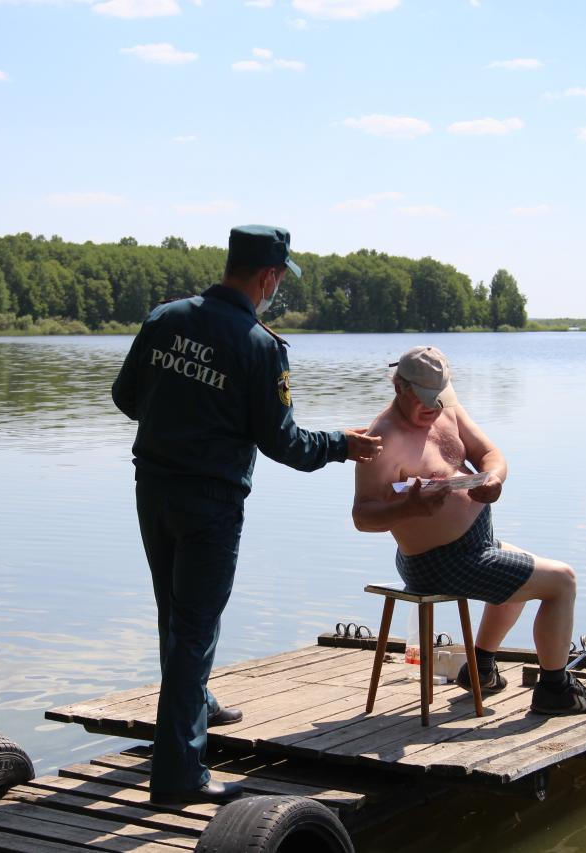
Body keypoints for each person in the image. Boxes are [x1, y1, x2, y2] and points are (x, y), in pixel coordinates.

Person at [111, 224, 383, 805]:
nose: (278, 287)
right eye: (280, 277)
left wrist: (179, 417)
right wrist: (343, 444)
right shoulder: (259, 345)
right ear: (267, 276)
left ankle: (197, 704)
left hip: (153, 487)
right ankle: (181, 776)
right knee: (195, 626)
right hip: (209, 502)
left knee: (176, 612)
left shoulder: (166, 318)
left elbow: (126, 398)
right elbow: (285, 444)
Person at [351, 345, 586, 716]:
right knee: (562, 581)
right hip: (438, 562)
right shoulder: (383, 439)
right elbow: (363, 516)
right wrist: (409, 506)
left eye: (440, 398)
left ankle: (481, 669)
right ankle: (555, 689)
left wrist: (493, 481)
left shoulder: (447, 411)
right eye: (426, 400)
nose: (434, 408)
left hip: (478, 545)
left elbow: (491, 454)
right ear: (400, 388)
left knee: (523, 574)